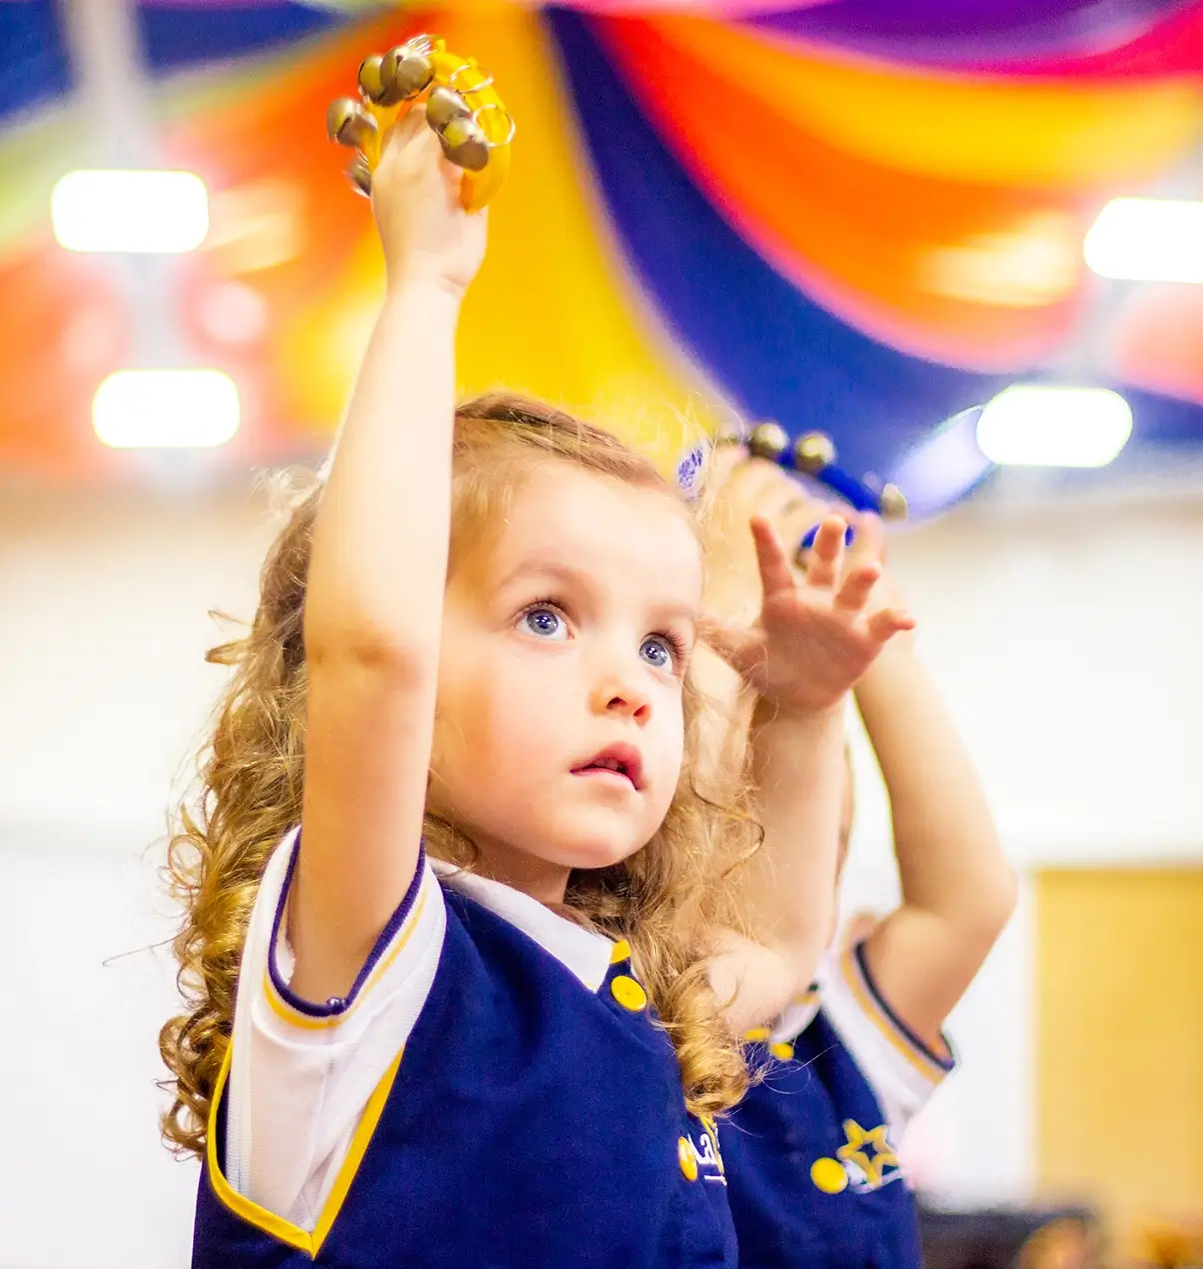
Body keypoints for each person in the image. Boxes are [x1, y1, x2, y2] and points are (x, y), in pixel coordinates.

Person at [158, 106, 910, 1268]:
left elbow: (775, 936)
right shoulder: (373, 963)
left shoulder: (625, 996)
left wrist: (802, 707)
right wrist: (424, 283)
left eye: (663, 645)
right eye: (546, 616)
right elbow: (372, 656)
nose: (632, 686)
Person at [705, 453, 1017, 1269]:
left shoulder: (835, 1031)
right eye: (766, 774)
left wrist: (868, 631)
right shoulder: (623, 1011)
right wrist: (731, 585)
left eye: (822, 770)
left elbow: (972, 897)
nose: (807, 802)